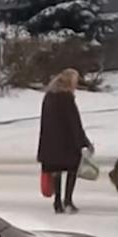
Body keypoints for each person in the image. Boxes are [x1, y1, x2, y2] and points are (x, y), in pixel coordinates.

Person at [37, 68, 93, 214]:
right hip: (67, 143)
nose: (76, 85)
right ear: (69, 81)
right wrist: (84, 142)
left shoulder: (49, 96)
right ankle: (67, 201)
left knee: (56, 171)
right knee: (72, 170)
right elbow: (74, 123)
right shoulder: (66, 98)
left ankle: (57, 203)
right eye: (75, 81)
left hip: (50, 143)